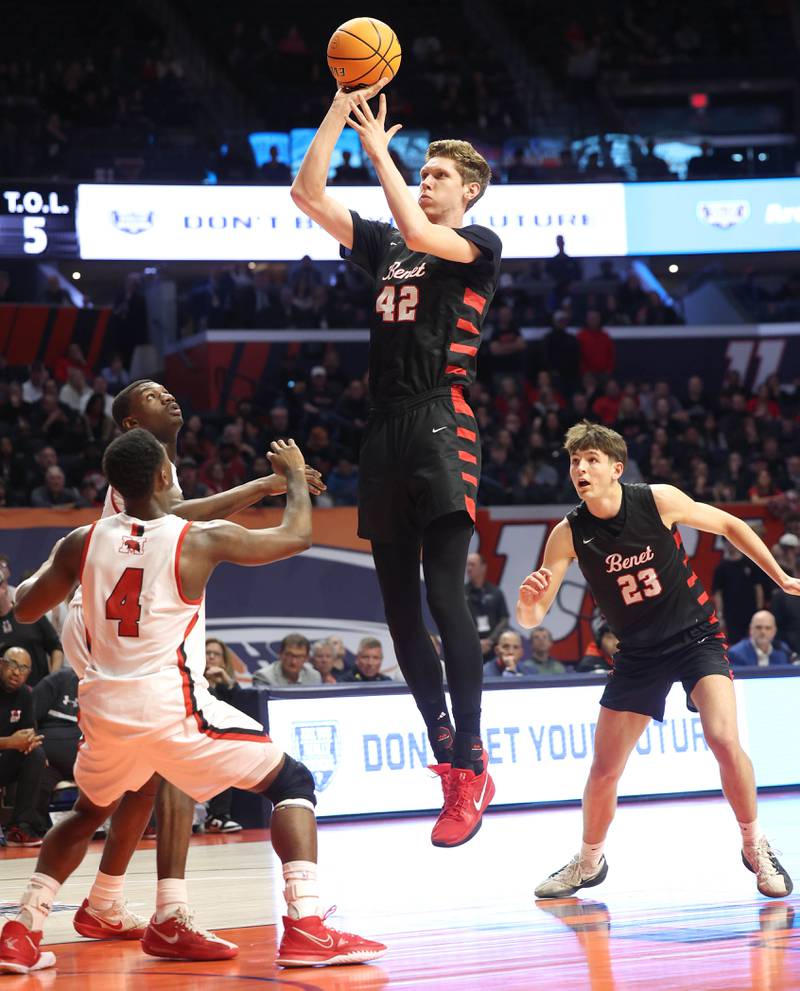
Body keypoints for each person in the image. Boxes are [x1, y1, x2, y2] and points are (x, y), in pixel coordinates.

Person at [0, 431, 385, 975]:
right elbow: (295, 536)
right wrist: (295, 477)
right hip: (169, 703)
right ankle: (306, 925)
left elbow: (28, 607)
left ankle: (21, 929)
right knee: (292, 781)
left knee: (89, 811)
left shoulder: (81, 541)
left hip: (105, 708)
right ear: (163, 477)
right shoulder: (196, 538)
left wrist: (32, 585)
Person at [291, 77, 502, 848]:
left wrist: (380, 152)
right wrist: (340, 114)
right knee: (398, 611)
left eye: (440, 174)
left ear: (470, 190)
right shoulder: (387, 245)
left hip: (442, 419)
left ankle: (475, 757)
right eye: (425, 172)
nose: (426, 179)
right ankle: (444, 752)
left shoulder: (477, 248)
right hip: (382, 430)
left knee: (446, 593)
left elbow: (416, 228)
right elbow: (305, 193)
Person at [56, 379, 325, 959]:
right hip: (104, 623)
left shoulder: (158, 466)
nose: (168, 397)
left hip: (120, 620)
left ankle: (104, 901)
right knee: (175, 738)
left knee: (149, 767)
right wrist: (270, 485)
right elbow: (181, 517)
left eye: (167, 392)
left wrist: (269, 487)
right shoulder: (143, 475)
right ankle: (170, 910)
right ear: (130, 426)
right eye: (151, 396)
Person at [517, 420, 794, 901]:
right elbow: (534, 615)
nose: (580, 469)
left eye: (591, 461)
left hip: (695, 637)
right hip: (639, 654)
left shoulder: (656, 499)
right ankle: (588, 861)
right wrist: (526, 604)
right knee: (604, 769)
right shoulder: (569, 532)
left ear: (615, 469)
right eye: (574, 462)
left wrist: (782, 577)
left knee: (724, 738)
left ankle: (756, 845)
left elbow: (729, 524)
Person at [0, 647, 47, 846]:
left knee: (36, 755)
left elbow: (29, 734)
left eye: (23, 668)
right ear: (1, 664)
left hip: (5, 761)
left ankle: (19, 827)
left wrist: (30, 743)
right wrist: (10, 742)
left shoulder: (26, 696)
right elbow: (15, 741)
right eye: (13, 665)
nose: (17, 672)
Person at [202, 639, 244, 833]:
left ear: (224, 660)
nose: (210, 657)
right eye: (207, 652)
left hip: (219, 742)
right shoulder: (191, 682)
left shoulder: (226, 688)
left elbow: (244, 709)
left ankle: (218, 816)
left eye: (216, 654)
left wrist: (227, 681)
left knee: (229, 752)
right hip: (195, 738)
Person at [32, 666, 80, 831]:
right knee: (36, 772)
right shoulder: (57, 680)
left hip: (89, 761)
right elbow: (29, 720)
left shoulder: (103, 685)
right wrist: (38, 751)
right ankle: (32, 829)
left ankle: (139, 825)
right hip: (51, 763)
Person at [0, 577, 62, 686]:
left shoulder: (29, 611)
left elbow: (56, 648)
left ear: (4, 587)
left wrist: (52, 681)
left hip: (40, 692)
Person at [712, 543, 765, 646]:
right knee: (734, 642)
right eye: (728, 542)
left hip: (751, 610)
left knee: (755, 641)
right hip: (731, 613)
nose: (731, 545)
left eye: (733, 542)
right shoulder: (721, 567)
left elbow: (758, 588)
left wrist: (759, 609)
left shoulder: (750, 563)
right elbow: (717, 593)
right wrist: (720, 614)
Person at [465, 552, 510, 662]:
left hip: (493, 647)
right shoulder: (461, 593)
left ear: (483, 567)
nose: (469, 568)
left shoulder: (495, 592)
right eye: (467, 565)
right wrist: (475, 642)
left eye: (473, 565)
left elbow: (504, 619)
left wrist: (490, 641)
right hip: (469, 648)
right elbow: (457, 622)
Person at [728, 611, 793, 668]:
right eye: (758, 627)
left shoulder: (782, 650)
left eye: (768, 628)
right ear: (751, 630)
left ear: (774, 631)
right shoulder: (736, 653)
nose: (763, 632)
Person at [252, 634, 322, 688]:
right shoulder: (264, 677)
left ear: (307, 658)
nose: (293, 662)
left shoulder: (314, 676)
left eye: (299, 656)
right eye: (289, 655)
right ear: (280, 654)